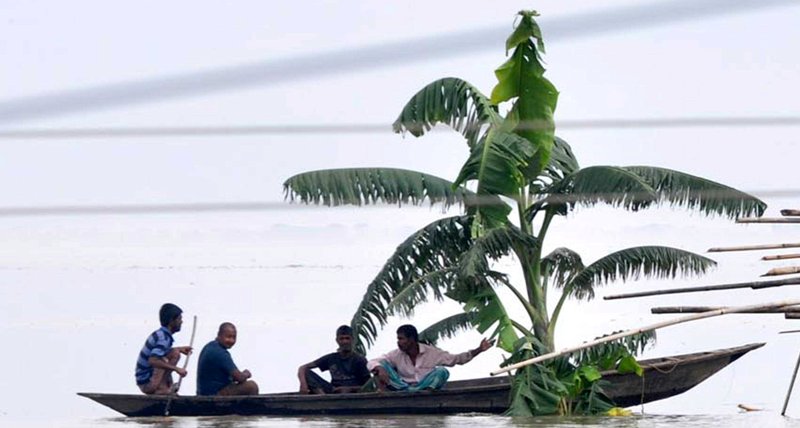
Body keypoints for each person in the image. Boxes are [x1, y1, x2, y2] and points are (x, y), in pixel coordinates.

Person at [367, 324, 493, 392]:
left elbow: (456, 359)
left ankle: (425, 396)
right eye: (398, 339)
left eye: (401, 339)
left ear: (411, 339)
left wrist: (479, 349)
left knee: (442, 371)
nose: (398, 342)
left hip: (424, 387)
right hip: (402, 388)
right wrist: (379, 368)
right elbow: (372, 362)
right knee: (381, 365)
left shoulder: (431, 352)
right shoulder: (396, 354)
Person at [135, 303, 193, 394]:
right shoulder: (163, 338)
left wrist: (179, 348)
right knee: (172, 355)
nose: (181, 322)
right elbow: (153, 360)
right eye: (179, 319)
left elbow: (161, 352)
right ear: (171, 321)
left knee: (175, 352)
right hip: (146, 383)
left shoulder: (162, 334)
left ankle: (163, 386)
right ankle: (161, 388)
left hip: (145, 380)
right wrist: (176, 369)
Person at [297, 325, 371, 394]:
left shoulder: (359, 360)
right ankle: (322, 397)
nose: (345, 341)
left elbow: (368, 385)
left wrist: (350, 389)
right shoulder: (331, 358)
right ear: (337, 340)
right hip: (333, 391)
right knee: (307, 372)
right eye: (342, 339)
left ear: (352, 340)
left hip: (353, 394)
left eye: (347, 338)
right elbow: (303, 368)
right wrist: (303, 385)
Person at [196, 322, 259, 396]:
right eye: (228, 337)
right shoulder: (220, 353)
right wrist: (246, 374)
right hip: (213, 394)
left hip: (205, 392)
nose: (231, 341)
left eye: (234, 337)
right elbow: (239, 378)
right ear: (219, 335)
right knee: (251, 386)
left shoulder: (210, 346)